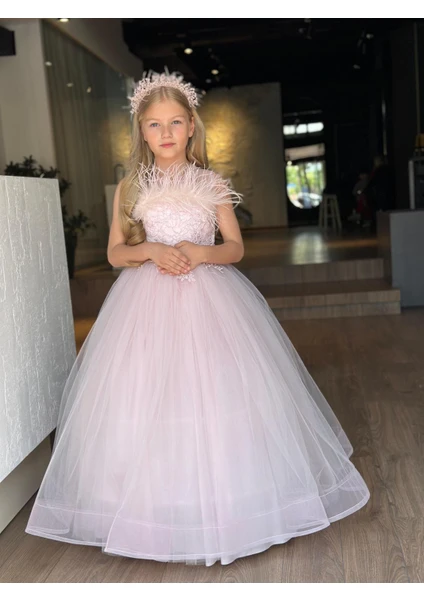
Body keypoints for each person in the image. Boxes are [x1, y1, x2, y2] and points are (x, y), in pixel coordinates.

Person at [25, 70, 370, 567]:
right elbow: (116, 253)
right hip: (145, 304)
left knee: (215, 392)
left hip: (209, 299)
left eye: (175, 122)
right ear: (142, 132)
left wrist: (200, 252)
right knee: (144, 394)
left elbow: (235, 248)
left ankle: (231, 505)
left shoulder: (212, 183)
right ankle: (151, 509)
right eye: (154, 124)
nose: (165, 132)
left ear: (191, 127)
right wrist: (151, 250)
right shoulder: (130, 187)